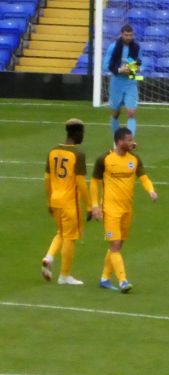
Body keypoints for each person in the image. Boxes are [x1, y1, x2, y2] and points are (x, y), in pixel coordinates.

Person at [90, 126, 157, 293]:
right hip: (109, 209)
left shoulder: (134, 159)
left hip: (127, 209)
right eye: (129, 140)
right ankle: (123, 281)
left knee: (118, 245)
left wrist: (151, 191)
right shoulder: (104, 159)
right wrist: (95, 206)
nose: (133, 142)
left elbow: (143, 177)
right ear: (120, 142)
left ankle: (105, 279)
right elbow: (94, 182)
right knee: (115, 243)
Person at [42, 118, 89, 286]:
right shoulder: (78, 154)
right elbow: (81, 183)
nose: (83, 136)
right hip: (70, 203)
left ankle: (48, 258)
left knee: (61, 233)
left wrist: (49, 200)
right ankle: (65, 275)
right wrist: (90, 205)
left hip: (55, 201)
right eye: (82, 132)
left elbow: (46, 179)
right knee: (70, 237)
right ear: (76, 133)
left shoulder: (53, 151)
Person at [104, 24, 141, 135]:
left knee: (131, 112)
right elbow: (105, 65)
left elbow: (140, 64)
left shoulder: (136, 47)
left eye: (130, 35)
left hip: (131, 82)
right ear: (121, 34)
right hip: (117, 82)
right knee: (116, 113)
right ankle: (117, 138)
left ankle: (130, 140)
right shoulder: (113, 47)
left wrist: (134, 69)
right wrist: (120, 70)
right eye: (126, 35)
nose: (128, 37)